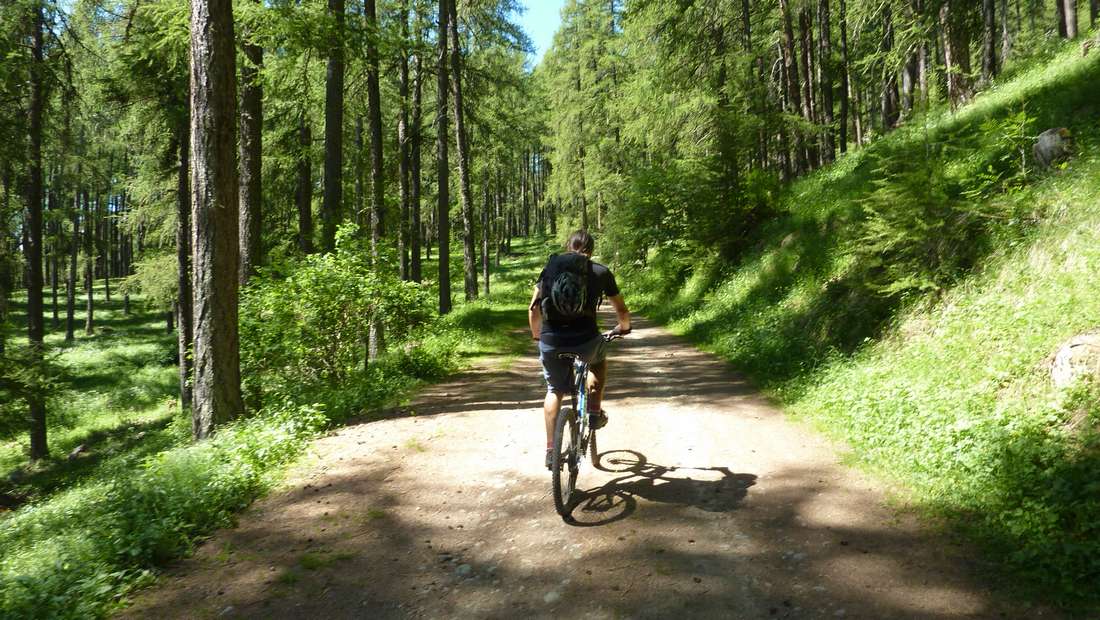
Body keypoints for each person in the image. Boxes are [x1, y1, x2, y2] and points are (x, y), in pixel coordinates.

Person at [529, 230, 631, 469]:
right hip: (585, 339)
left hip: (552, 340)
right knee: (598, 362)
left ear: (567, 246)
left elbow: (533, 310)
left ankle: (551, 451)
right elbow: (622, 310)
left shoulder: (550, 270)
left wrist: (537, 335)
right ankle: (594, 412)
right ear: (591, 251)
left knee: (554, 389)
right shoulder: (600, 272)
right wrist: (623, 328)